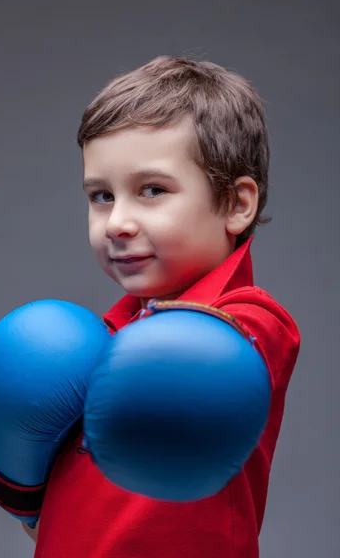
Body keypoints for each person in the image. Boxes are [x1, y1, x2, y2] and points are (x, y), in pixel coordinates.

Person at [20, 56, 300, 557]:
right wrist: (20, 476)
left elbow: (233, 352)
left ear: (237, 204)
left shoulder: (252, 321)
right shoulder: (96, 343)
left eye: (152, 190)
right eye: (102, 196)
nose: (117, 222)